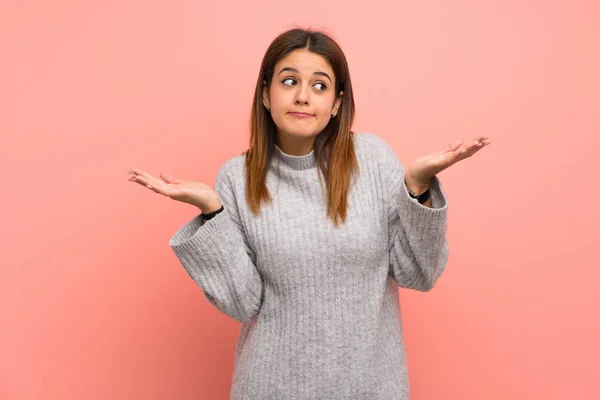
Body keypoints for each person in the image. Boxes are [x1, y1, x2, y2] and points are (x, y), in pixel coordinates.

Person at [127, 27, 489, 400]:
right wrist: (211, 211)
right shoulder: (236, 177)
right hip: (270, 388)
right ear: (266, 94)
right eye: (289, 81)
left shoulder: (373, 159)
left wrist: (417, 187)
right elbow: (242, 302)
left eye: (319, 86)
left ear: (336, 103)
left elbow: (419, 274)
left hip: (370, 388)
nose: (303, 97)